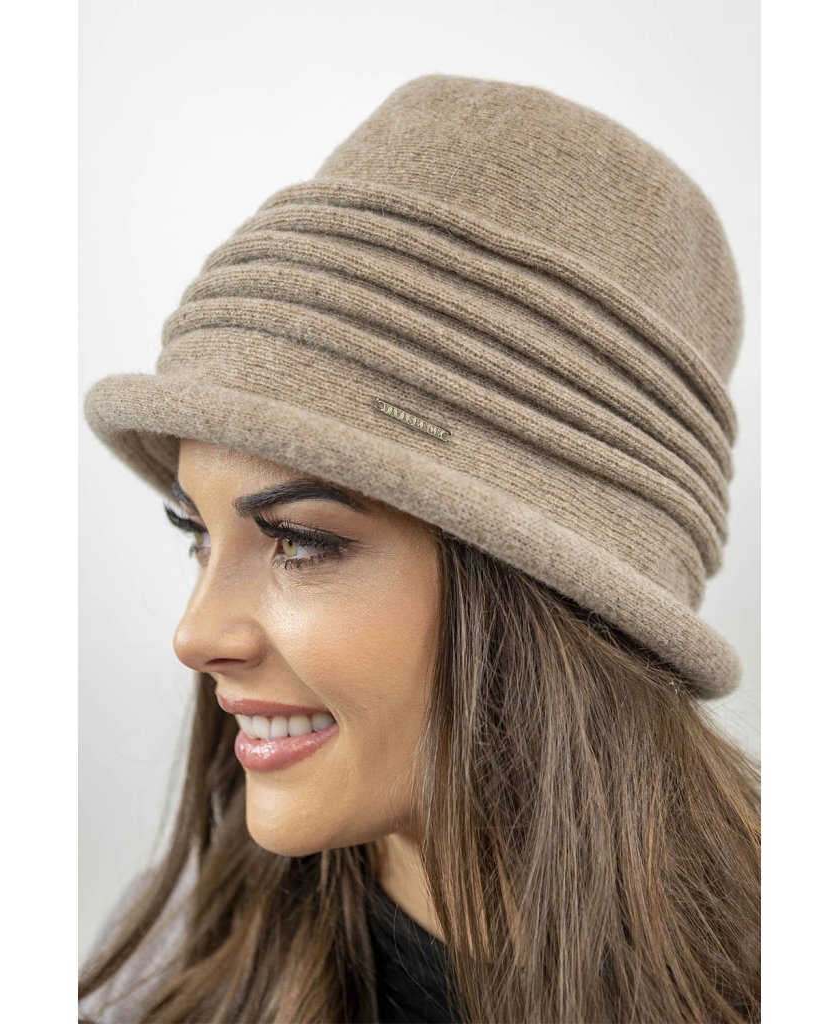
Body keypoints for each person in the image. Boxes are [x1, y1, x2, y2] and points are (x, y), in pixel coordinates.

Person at [79, 73, 760, 1023]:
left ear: (551, 595)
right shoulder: (179, 972)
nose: (196, 637)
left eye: (300, 542)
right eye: (199, 533)